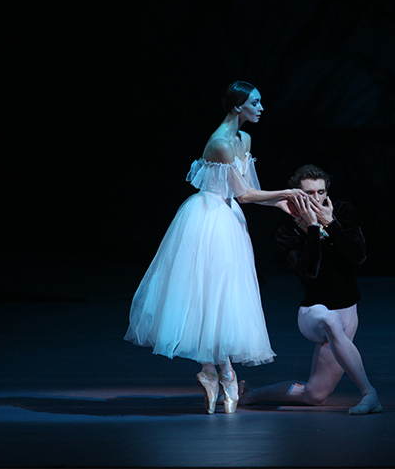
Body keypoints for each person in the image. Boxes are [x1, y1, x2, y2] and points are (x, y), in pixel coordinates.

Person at [124, 81, 307, 415]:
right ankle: (223, 373)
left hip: (230, 220)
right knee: (207, 295)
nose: (261, 107)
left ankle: (212, 372)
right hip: (208, 220)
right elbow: (246, 195)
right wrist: (288, 193)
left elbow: (250, 191)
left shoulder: (244, 138)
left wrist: (282, 205)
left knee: (224, 296)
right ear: (238, 106)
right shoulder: (221, 143)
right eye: (255, 102)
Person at [239, 164, 382, 415]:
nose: (315, 198)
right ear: (296, 195)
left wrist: (331, 224)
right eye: (308, 194)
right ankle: (370, 394)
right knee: (330, 320)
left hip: (348, 313)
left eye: (320, 192)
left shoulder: (342, 213)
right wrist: (314, 227)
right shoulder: (288, 232)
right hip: (314, 313)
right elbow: (309, 272)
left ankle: (250, 396)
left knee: (314, 395)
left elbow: (359, 257)